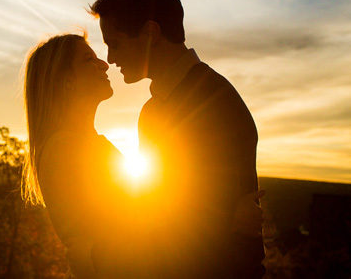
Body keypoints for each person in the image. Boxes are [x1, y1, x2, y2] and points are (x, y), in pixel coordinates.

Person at [20, 33, 263, 277]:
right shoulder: (67, 149)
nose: (104, 63)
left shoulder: (81, 145)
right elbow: (139, 235)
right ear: (66, 81)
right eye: (88, 59)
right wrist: (227, 219)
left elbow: (146, 216)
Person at [89, 0, 265, 277]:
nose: (110, 58)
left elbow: (198, 225)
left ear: (149, 34)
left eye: (114, 43)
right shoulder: (156, 107)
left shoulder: (212, 102)